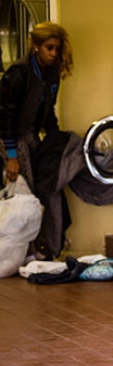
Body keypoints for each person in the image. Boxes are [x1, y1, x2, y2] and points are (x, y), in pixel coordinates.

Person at [0, 22, 74, 260]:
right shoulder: (18, 74)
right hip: (11, 137)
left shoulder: (52, 73)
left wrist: (56, 143)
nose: (53, 54)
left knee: (48, 186)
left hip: (31, 134)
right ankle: (26, 253)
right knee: (27, 193)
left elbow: (48, 112)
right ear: (36, 47)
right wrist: (11, 157)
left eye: (57, 49)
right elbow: (5, 116)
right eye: (49, 48)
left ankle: (49, 248)